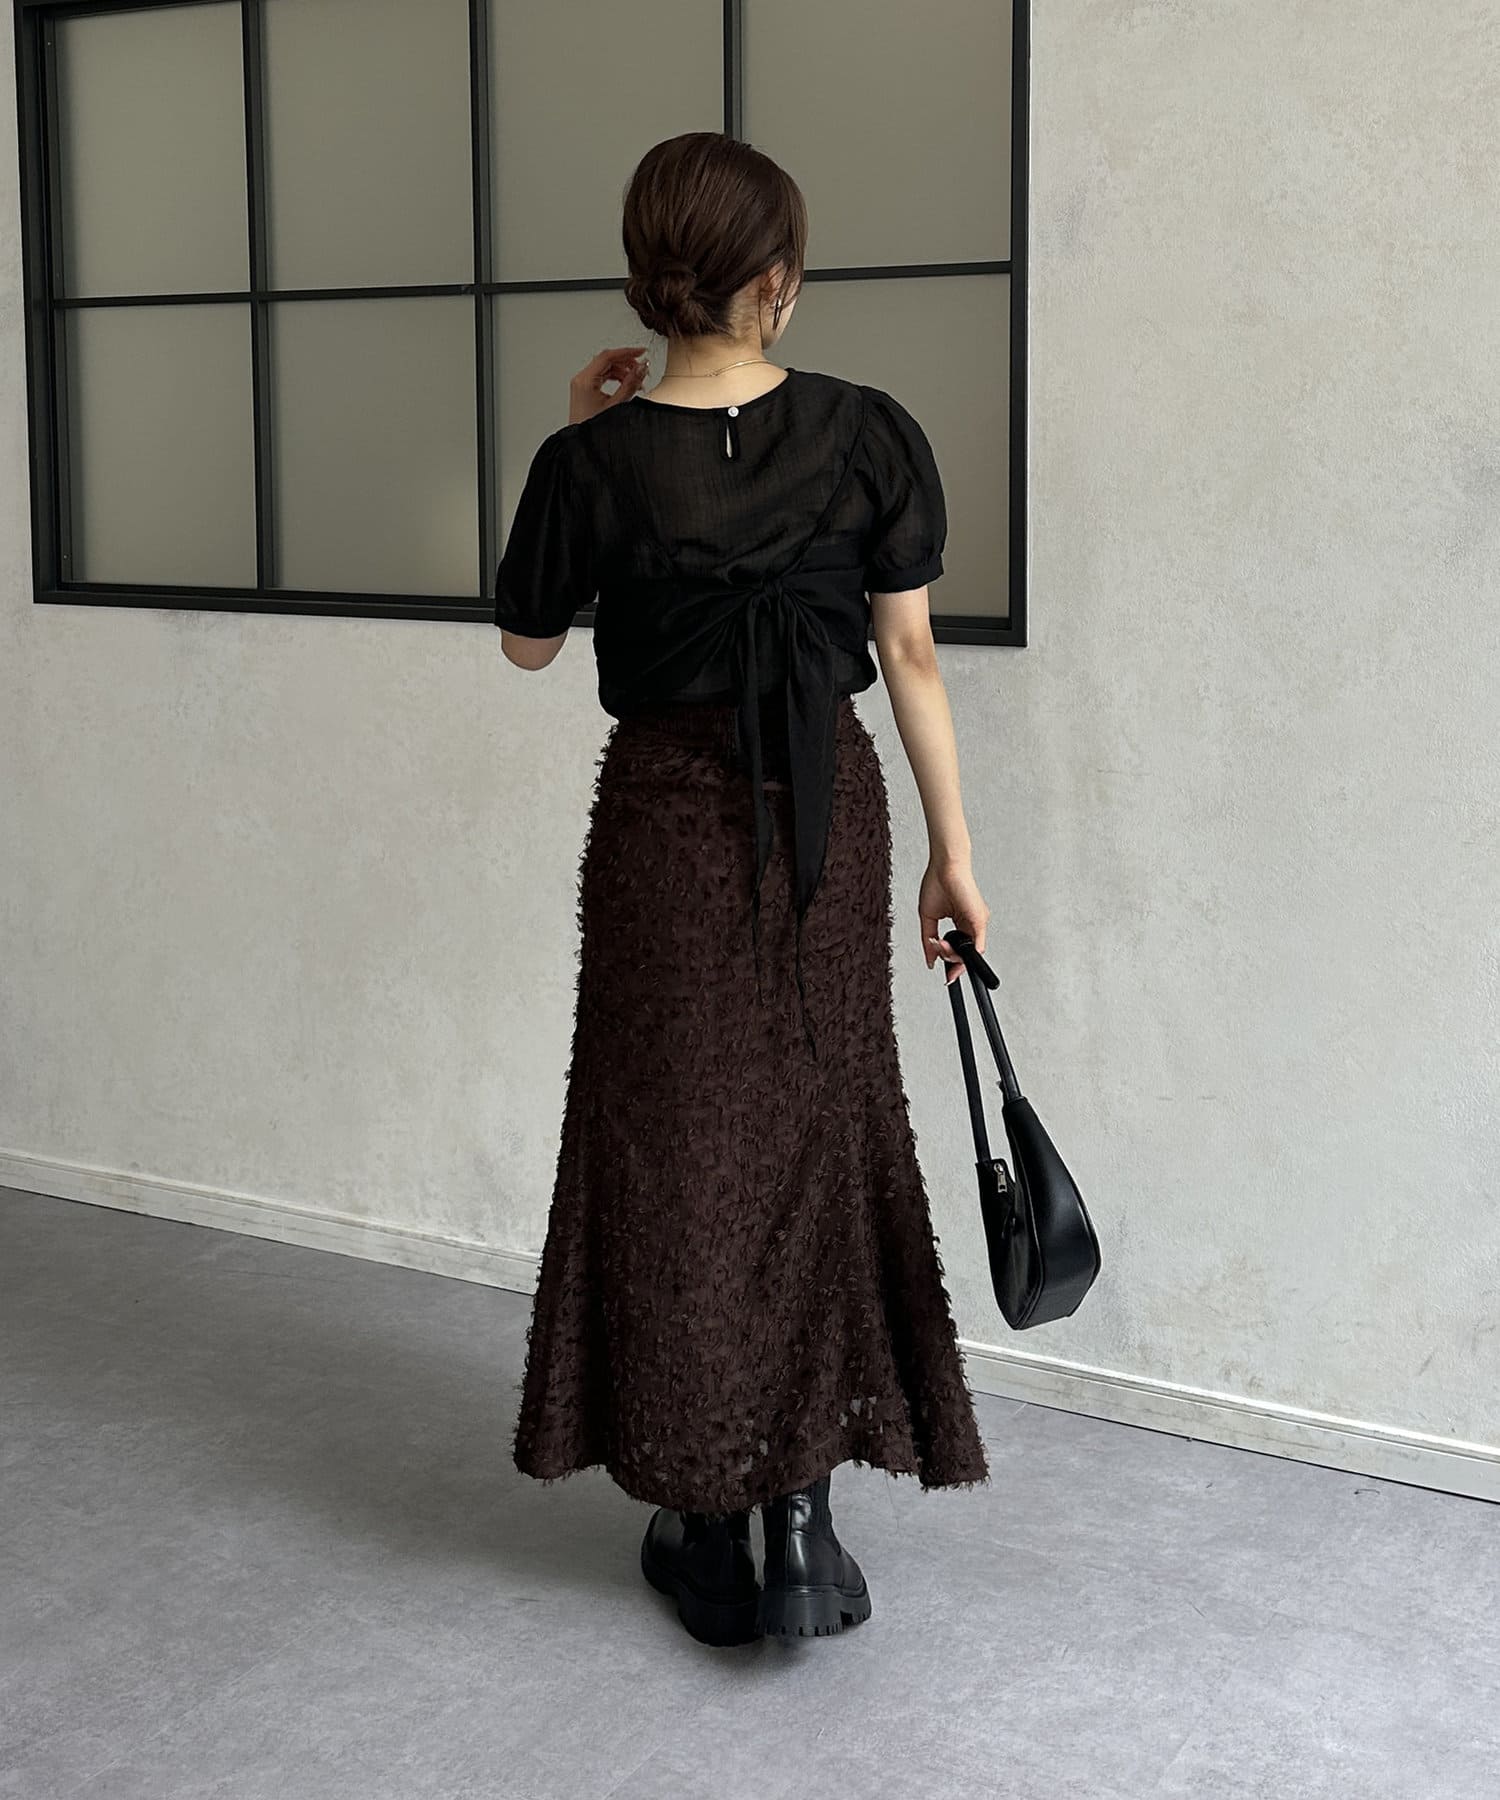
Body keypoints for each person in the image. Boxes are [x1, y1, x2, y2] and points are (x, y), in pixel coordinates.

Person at [494, 131, 992, 1647]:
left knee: (674, 1155)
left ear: (651, 279)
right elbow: (910, 655)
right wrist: (955, 856)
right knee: (820, 1135)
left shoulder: (588, 463)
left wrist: (581, 436)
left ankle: (708, 1520)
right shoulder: (868, 431)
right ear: (777, 280)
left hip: (662, 832)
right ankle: (801, 1519)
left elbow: (527, 645)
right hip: (828, 822)